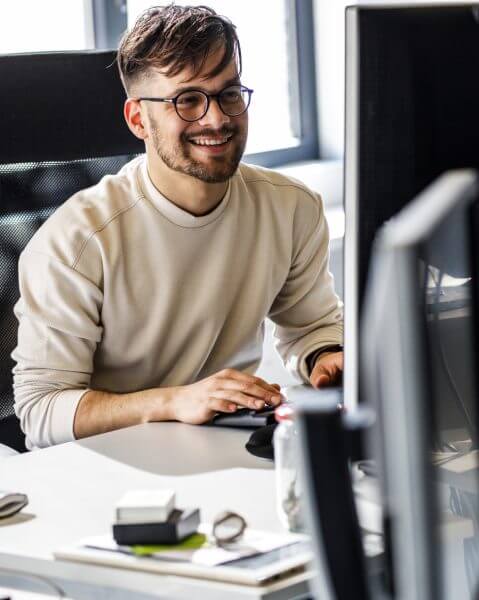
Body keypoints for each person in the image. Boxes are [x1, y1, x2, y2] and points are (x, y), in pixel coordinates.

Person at [12, 4, 343, 450]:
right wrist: (173, 402)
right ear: (138, 120)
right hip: (111, 468)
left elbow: (311, 327)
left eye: (228, 93)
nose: (217, 119)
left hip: (227, 449)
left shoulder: (291, 208)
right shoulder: (77, 243)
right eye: (187, 100)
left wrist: (327, 358)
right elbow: (41, 412)